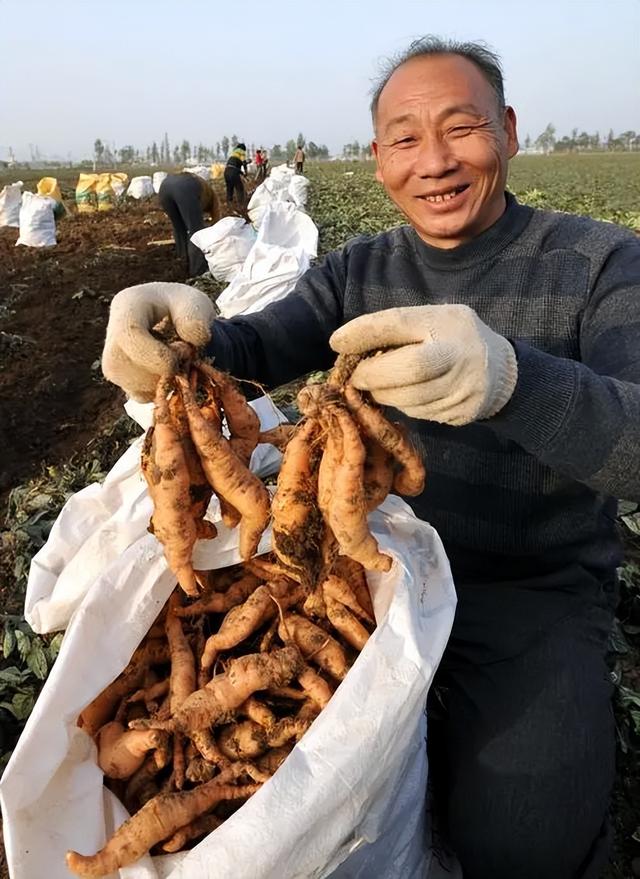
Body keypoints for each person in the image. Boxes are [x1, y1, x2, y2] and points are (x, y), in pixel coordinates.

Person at [102, 36, 640, 879]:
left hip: (525, 593)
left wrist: (510, 380)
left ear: (506, 131)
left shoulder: (603, 262)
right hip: (367, 577)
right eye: (403, 138)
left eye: (461, 128)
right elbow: (256, 343)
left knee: (525, 839)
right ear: (379, 159)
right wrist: (175, 339)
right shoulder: (361, 270)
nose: (434, 160)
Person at [157, 172, 219, 276]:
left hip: (164, 187)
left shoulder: (202, 190)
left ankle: (182, 261)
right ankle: (198, 270)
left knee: (179, 228)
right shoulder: (211, 197)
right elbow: (216, 219)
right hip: (185, 187)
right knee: (196, 231)